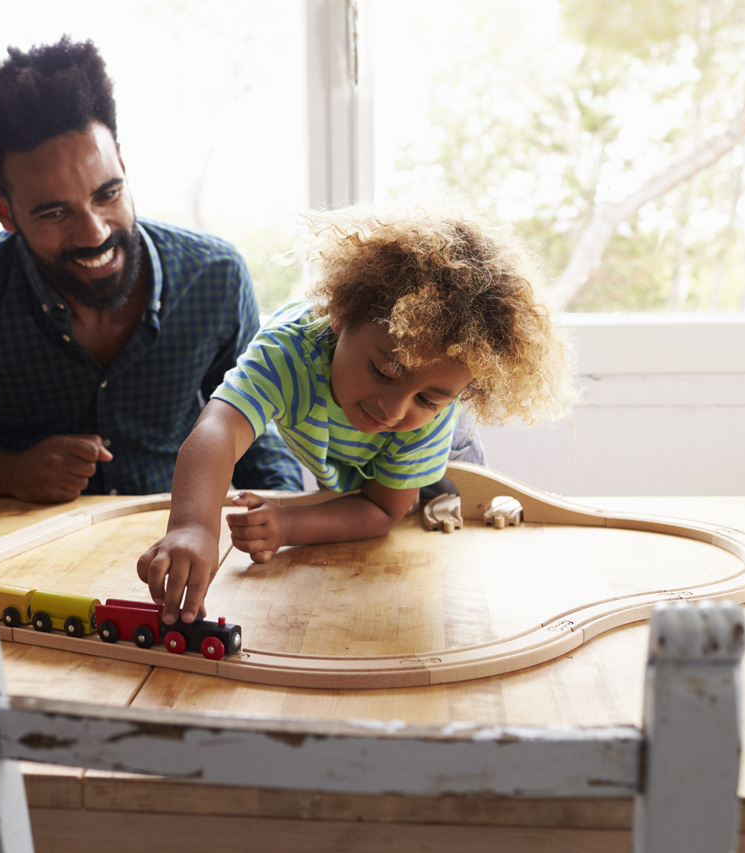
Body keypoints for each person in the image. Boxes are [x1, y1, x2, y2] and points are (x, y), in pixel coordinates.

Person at [0, 38, 302, 501]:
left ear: (124, 170)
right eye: (53, 213)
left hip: (173, 553)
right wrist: (2, 473)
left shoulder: (214, 277)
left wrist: (285, 522)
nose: (93, 234)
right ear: (5, 214)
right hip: (23, 570)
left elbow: (255, 438)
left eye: (107, 194)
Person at [138, 203, 572, 625]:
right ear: (342, 315)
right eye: (384, 371)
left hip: (446, 468)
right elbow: (219, 426)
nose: (393, 408)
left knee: (449, 572)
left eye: (427, 398)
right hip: (361, 469)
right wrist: (193, 526)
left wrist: (289, 524)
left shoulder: (431, 415)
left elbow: (384, 510)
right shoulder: (288, 352)